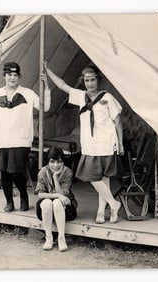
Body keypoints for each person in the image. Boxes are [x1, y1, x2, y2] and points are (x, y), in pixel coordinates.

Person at [44, 63, 124, 224]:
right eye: (87, 80)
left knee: (104, 178)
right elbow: (62, 85)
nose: (90, 83)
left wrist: (120, 143)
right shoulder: (81, 97)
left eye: (93, 80)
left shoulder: (107, 98)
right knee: (92, 177)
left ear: (97, 80)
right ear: (83, 82)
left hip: (107, 142)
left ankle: (102, 212)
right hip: (89, 145)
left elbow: (118, 121)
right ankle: (114, 204)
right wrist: (48, 70)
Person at [0, 62, 51, 212]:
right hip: (0, 140)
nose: (12, 78)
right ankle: (9, 202)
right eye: (9, 75)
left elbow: (45, 107)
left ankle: (23, 196)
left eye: (15, 75)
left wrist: (46, 86)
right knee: (4, 173)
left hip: (20, 140)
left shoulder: (27, 94)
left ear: (19, 76)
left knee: (16, 171)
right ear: (4, 76)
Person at [35, 147, 77, 251]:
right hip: (46, 211)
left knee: (58, 203)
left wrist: (55, 177)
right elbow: (40, 194)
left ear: (63, 161)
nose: (55, 165)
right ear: (47, 162)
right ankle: (48, 238)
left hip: (66, 210)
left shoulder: (68, 172)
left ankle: (61, 238)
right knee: (46, 202)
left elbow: (63, 194)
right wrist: (57, 196)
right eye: (52, 162)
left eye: (59, 161)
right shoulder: (42, 172)